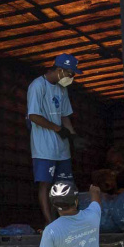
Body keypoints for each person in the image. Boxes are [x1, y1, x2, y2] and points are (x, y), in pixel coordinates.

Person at [27, 53, 83, 224]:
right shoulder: (37, 85)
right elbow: (33, 116)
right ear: (59, 70)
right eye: (70, 74)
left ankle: (64, 220)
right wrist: (57, 129)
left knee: (64, 184)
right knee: (45, 184)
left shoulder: (62, 88)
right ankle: (49, 222)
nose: (71, 78)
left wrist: (72, 136)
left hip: (61, 148)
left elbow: (65, 115)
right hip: (44, 147)